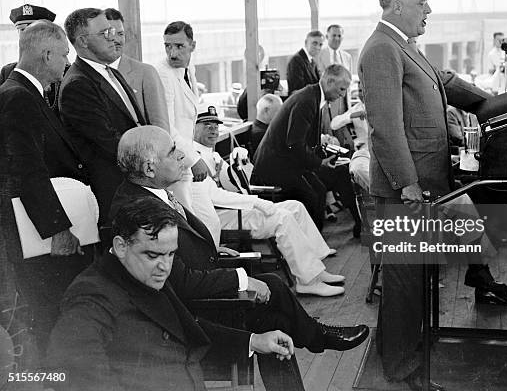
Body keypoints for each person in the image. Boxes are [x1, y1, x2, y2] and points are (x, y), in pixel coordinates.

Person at [359, 0, 507, 388]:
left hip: (429, 183)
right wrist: (407, 184)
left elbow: (443, 81)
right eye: (422, 3)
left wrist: (502, 101)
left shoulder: (405, 47)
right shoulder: (380, 50)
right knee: (405, 285)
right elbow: (385, 128)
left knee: (418, 280)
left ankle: (409, 356)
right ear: (396, 7)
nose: (429, 10)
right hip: (406, 191)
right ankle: (400, 368)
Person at [110, 126, 368, 346]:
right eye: (172, 152)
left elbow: (178, 251)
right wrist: (241, 280)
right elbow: (179, 283)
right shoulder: (138, 212)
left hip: (200, 291)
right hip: (188, 316)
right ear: (149, 167)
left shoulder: (150, 193)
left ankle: (319, 336)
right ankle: (321, 337)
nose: (181, 156)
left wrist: (212, 251)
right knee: (276, 315)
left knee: (276, 292)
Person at [46, 197, 301, 391]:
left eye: (171, 254)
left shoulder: (144, 273)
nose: (165, 266)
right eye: (153, 254)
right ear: (121, 246)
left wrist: (253, 341)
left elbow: (188, 330)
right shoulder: (92, 297)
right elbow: (76, 375)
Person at [0, 21, 91, 357]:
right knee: (48, 310)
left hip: (36, 229)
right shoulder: (19, 98)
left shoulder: (22, 93)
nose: (67, 63)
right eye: (64, 55)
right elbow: (27, 170)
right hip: (36, 234)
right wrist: (58, 229)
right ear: (46, 53)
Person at [192, 107, 347, 296]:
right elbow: (215, 196)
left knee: (295, 207)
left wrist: (242, 164)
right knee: (282, 218)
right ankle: (308, 281)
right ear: (193, 128)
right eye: (206, 125)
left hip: (234, 209)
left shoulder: (213, 155)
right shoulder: (194, 159)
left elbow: (238, 184)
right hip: (220, 216)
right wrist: (256, 202)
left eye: (216, 126)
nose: (213, 130)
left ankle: (317, 270)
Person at [59, 8, 147, 226]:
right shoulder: (77, 85)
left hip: (137, 183)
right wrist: (150, 163)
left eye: (114, 31)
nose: (113, 38)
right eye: (105, 33)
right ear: (83, 41)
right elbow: (107, 141)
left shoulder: (110, 71)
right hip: (116, 192)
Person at [253, 65, 359, 234]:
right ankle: (310, 244)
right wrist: (319, 162)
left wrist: (322, 158)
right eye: (341, 89)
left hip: (288, 162)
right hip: (274, 168)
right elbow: (294, 143)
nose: (343, 95)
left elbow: (305, 140)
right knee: (313, 195)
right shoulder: (307, 100)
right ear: (329, 81)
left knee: (320, 189)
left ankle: (315, 243)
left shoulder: (314, 96)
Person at [155, 21, 208, 211]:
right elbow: (166, 127)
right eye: (167, 46)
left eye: (179, 46)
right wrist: (193, 160)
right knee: (186, 224)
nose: (173, 53)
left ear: (192, 46)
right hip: (174, 162)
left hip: (187, 159)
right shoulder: (163, 73)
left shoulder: (187, 68)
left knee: (210, 223)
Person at [105, 8, 170, 132]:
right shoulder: (91, 75)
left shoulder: (145, 73)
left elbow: (160, 127)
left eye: (121, 34)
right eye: (110, 34)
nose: (117, 40)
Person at [1, 4, 61, 111]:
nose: (28, 36)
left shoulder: (63, 70)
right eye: (23, 31)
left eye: (34, 31)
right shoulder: (8, 72)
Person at [286, 30, 324, 95]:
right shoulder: (296, 60)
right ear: (306, 43)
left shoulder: (312, 61)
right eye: (314, 43)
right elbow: (297, 90)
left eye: (320, 45)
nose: (318, 47)